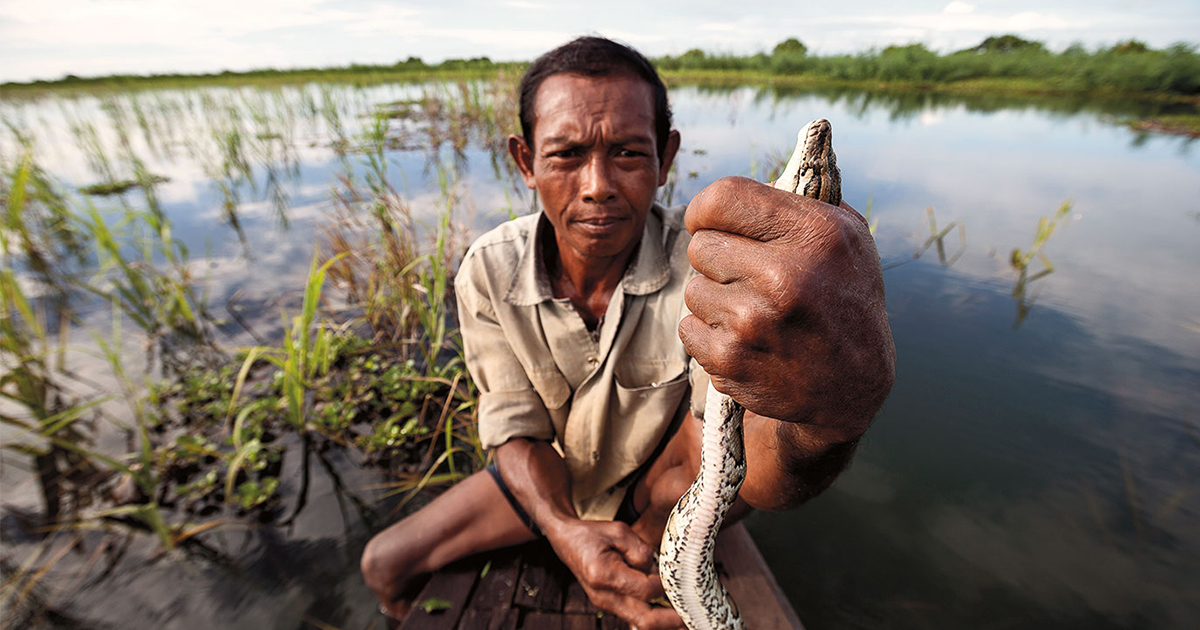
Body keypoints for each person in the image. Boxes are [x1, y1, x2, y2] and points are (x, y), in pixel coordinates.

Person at [360, 36, 895, 630]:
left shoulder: (714, 273)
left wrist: (826, 420)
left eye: (628, 153)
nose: (597, 185)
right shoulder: (488, 269)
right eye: (565, 155)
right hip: (555, 481)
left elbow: (729, 459)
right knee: (385, 564)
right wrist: (564, 531)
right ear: (524, 162)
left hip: (661, 489)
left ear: (665, 159)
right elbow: (514, 431)